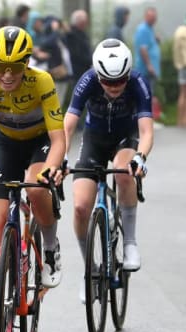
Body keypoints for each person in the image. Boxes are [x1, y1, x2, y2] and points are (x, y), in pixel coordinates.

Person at [0, 26, 65, 332]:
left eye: (16, 68)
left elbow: (58, 138)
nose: (7, 75)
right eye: (1, 68)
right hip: (5, 144)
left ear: (27, 64)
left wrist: (50, 168)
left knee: (35, 187)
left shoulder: (42, 81)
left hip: (39, 142)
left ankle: (50, 247)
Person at [63, 38, 153, 302]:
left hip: (125, 139)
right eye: (107, 81)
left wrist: (141, 157)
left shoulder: (138, 83)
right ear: (98, 75)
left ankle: (130, 244)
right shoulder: (87, 80)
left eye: (120, 81)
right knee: (80, 207)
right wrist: (60, 157)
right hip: (93, 140)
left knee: (125, 172)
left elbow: (146, 131)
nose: (114, 87)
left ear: (128, 74)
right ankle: (89, 271)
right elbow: (68, 126)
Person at [134, 7, 161, 118]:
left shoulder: (150, 29)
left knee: (149, 94)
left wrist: (155, 41)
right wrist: (149, 66)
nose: (153, 19)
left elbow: (148, 44)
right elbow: (143, 49)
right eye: (151, 17)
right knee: (145, 94)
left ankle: (147, 119)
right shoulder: (143, 29)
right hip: (145, 69)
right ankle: (144, 119)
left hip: (150, 69)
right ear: (145, 16)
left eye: (154, 17)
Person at [65, 10, 92, 83]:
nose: (86, 23)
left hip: (84, 70)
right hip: (78, 72)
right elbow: (76, 54)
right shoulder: (71, 35)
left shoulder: (82, 33)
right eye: (83, 21)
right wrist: (89, 60)